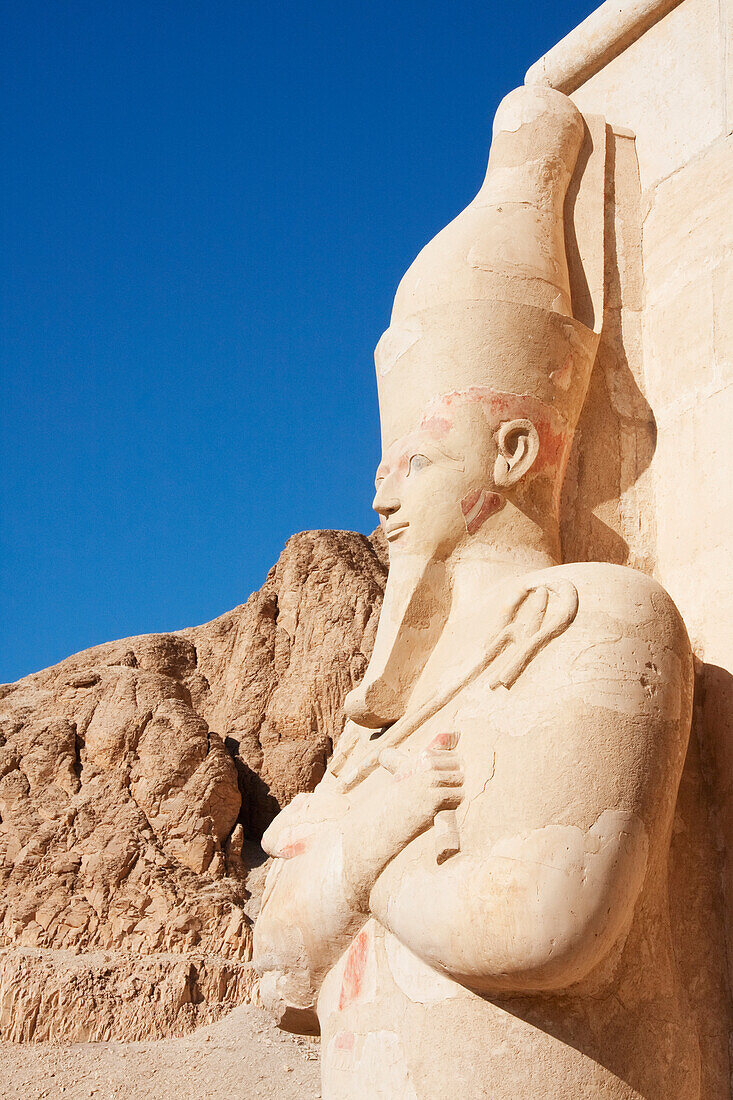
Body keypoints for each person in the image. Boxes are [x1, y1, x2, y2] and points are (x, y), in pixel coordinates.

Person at [253, 84, 700, 1099]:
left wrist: (354, 854)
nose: (376, 492)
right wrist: (381, 838)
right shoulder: (377, 723)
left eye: (414, 456)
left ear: (512, 447)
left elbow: (548, 919)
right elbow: (277, 964)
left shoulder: (601, 621)